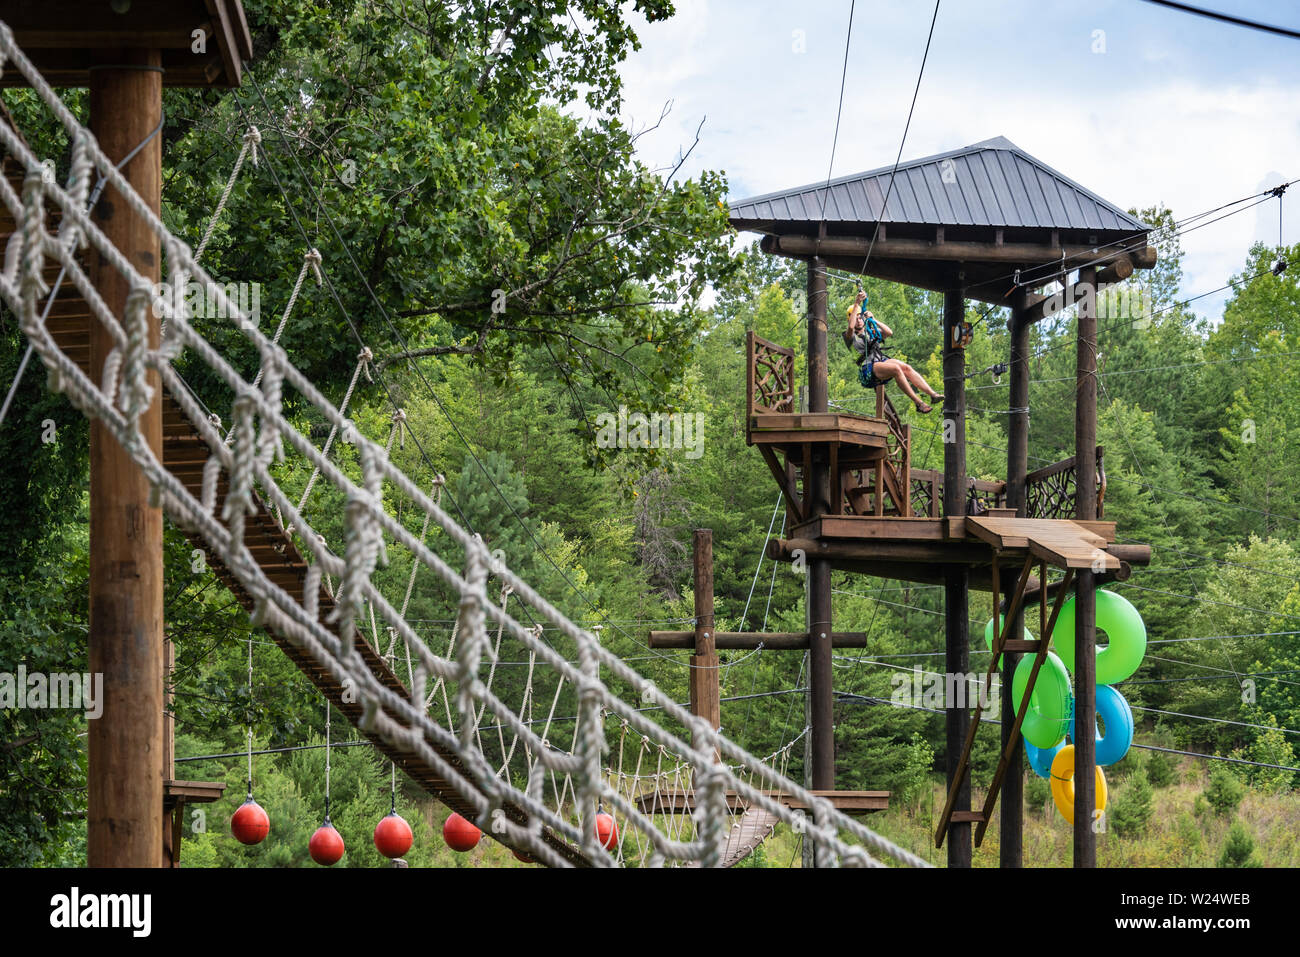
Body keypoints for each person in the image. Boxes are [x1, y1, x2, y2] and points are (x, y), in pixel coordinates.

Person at [843, 287, 943, 414]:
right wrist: (857, 303)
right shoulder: (849, 336)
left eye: (859, 317)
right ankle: (918, 403)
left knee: (906, 367)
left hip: (880, 361)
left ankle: (932, 394)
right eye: (855, 318)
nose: (858, 320)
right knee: (896, 370)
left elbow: (888, 332)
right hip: (868, 368)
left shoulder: (870, 331)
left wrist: (873, 319)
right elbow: (851, 327)